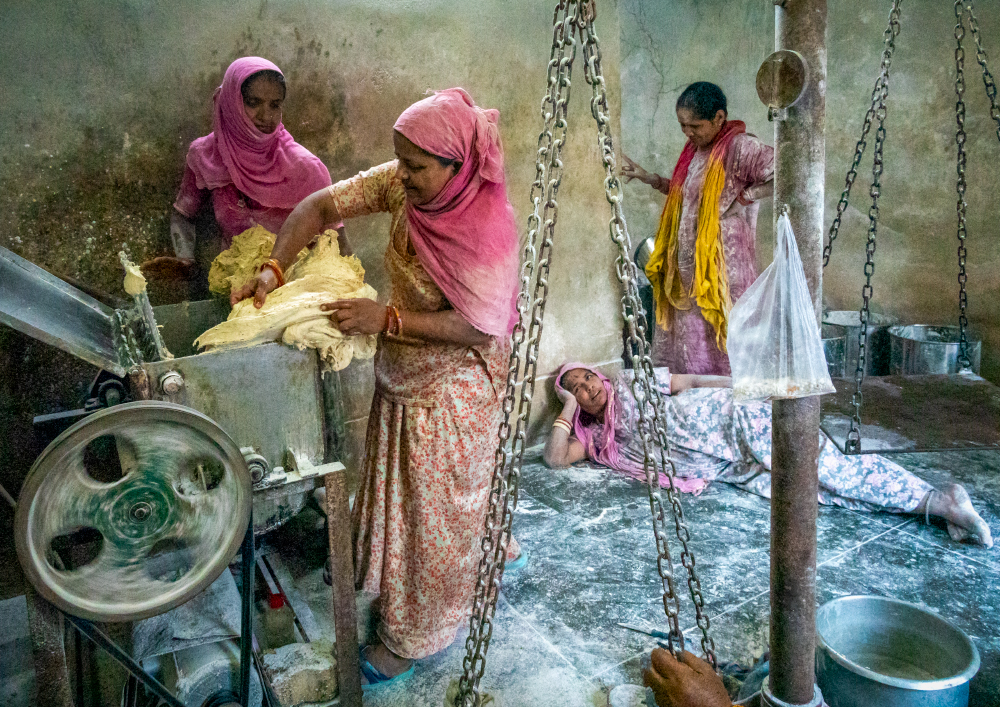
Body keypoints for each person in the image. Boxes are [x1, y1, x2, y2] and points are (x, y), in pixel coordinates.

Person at [232, 88, 521, 685]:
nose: (404, 175)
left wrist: (384, 318)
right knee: (418, 507)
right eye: (401, 160)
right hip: (404, 372)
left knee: (434, 518)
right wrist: (274, 267)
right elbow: (317, 205)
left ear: (456, 164)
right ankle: (482, 553)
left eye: (417, 166)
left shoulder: (485, 229)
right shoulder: (402, 184)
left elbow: (477, 327)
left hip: (453, 392)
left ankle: (416, 637)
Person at [544, 363, 994, 548]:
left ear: (601, 375)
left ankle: (939, 498)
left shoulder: (630, 382)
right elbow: (554, 459)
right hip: (726, 465)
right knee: (809, 488)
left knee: (821, 465)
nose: (588, 389)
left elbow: (692, 383)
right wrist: (566, 403)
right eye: (578, 389)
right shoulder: (600, 441)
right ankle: (928, 504)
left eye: (588, 379)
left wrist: (749, 389)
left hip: (731, 420)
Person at [145, 56, 348, 281]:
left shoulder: (306, 168)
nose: (266, 116)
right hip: (236, 284)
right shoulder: (206, 155)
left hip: (297, 289)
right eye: (253, 102)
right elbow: (183, 214)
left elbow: (335, 239)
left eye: (275, 105)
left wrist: (354, 291)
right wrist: (185, 260)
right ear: (231, 102)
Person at [621, 82, 773, 375]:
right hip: (689, 267)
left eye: (695, 125)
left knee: (725, 330)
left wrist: (745, 197)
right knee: (692, 337)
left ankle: (731, 399)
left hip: (724, 267)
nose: (688, 133)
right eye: (682, 126)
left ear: (719, 118)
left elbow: (784, 169)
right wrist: (648, 177)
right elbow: (687, 196)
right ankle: (693, 398)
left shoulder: (740, 147)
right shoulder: (694, 151)